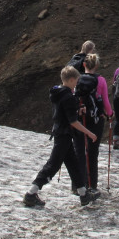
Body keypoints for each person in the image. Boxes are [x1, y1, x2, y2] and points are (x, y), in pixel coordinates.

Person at [23, 66, 100, 208]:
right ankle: (30, 193)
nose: (77, 84)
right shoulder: (68, 97)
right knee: (52, 166)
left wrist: (76, 109)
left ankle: (84, 195)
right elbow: (73, 121)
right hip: (64, 135)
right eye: (76, 81)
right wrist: (89, 133)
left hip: (60, 133)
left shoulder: (58, 92)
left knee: (73, 164)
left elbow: (64, 112)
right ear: (71, 80)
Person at [74, 53, 112, 193]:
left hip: (79, 118)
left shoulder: (77, 78)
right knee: (92, 151)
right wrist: (110, 114)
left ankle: (77, 185)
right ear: (96, 65)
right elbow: (105, 100)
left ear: (84, 64)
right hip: (96, 119)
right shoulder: (101, 80)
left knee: (79, 150)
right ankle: (92, 184)